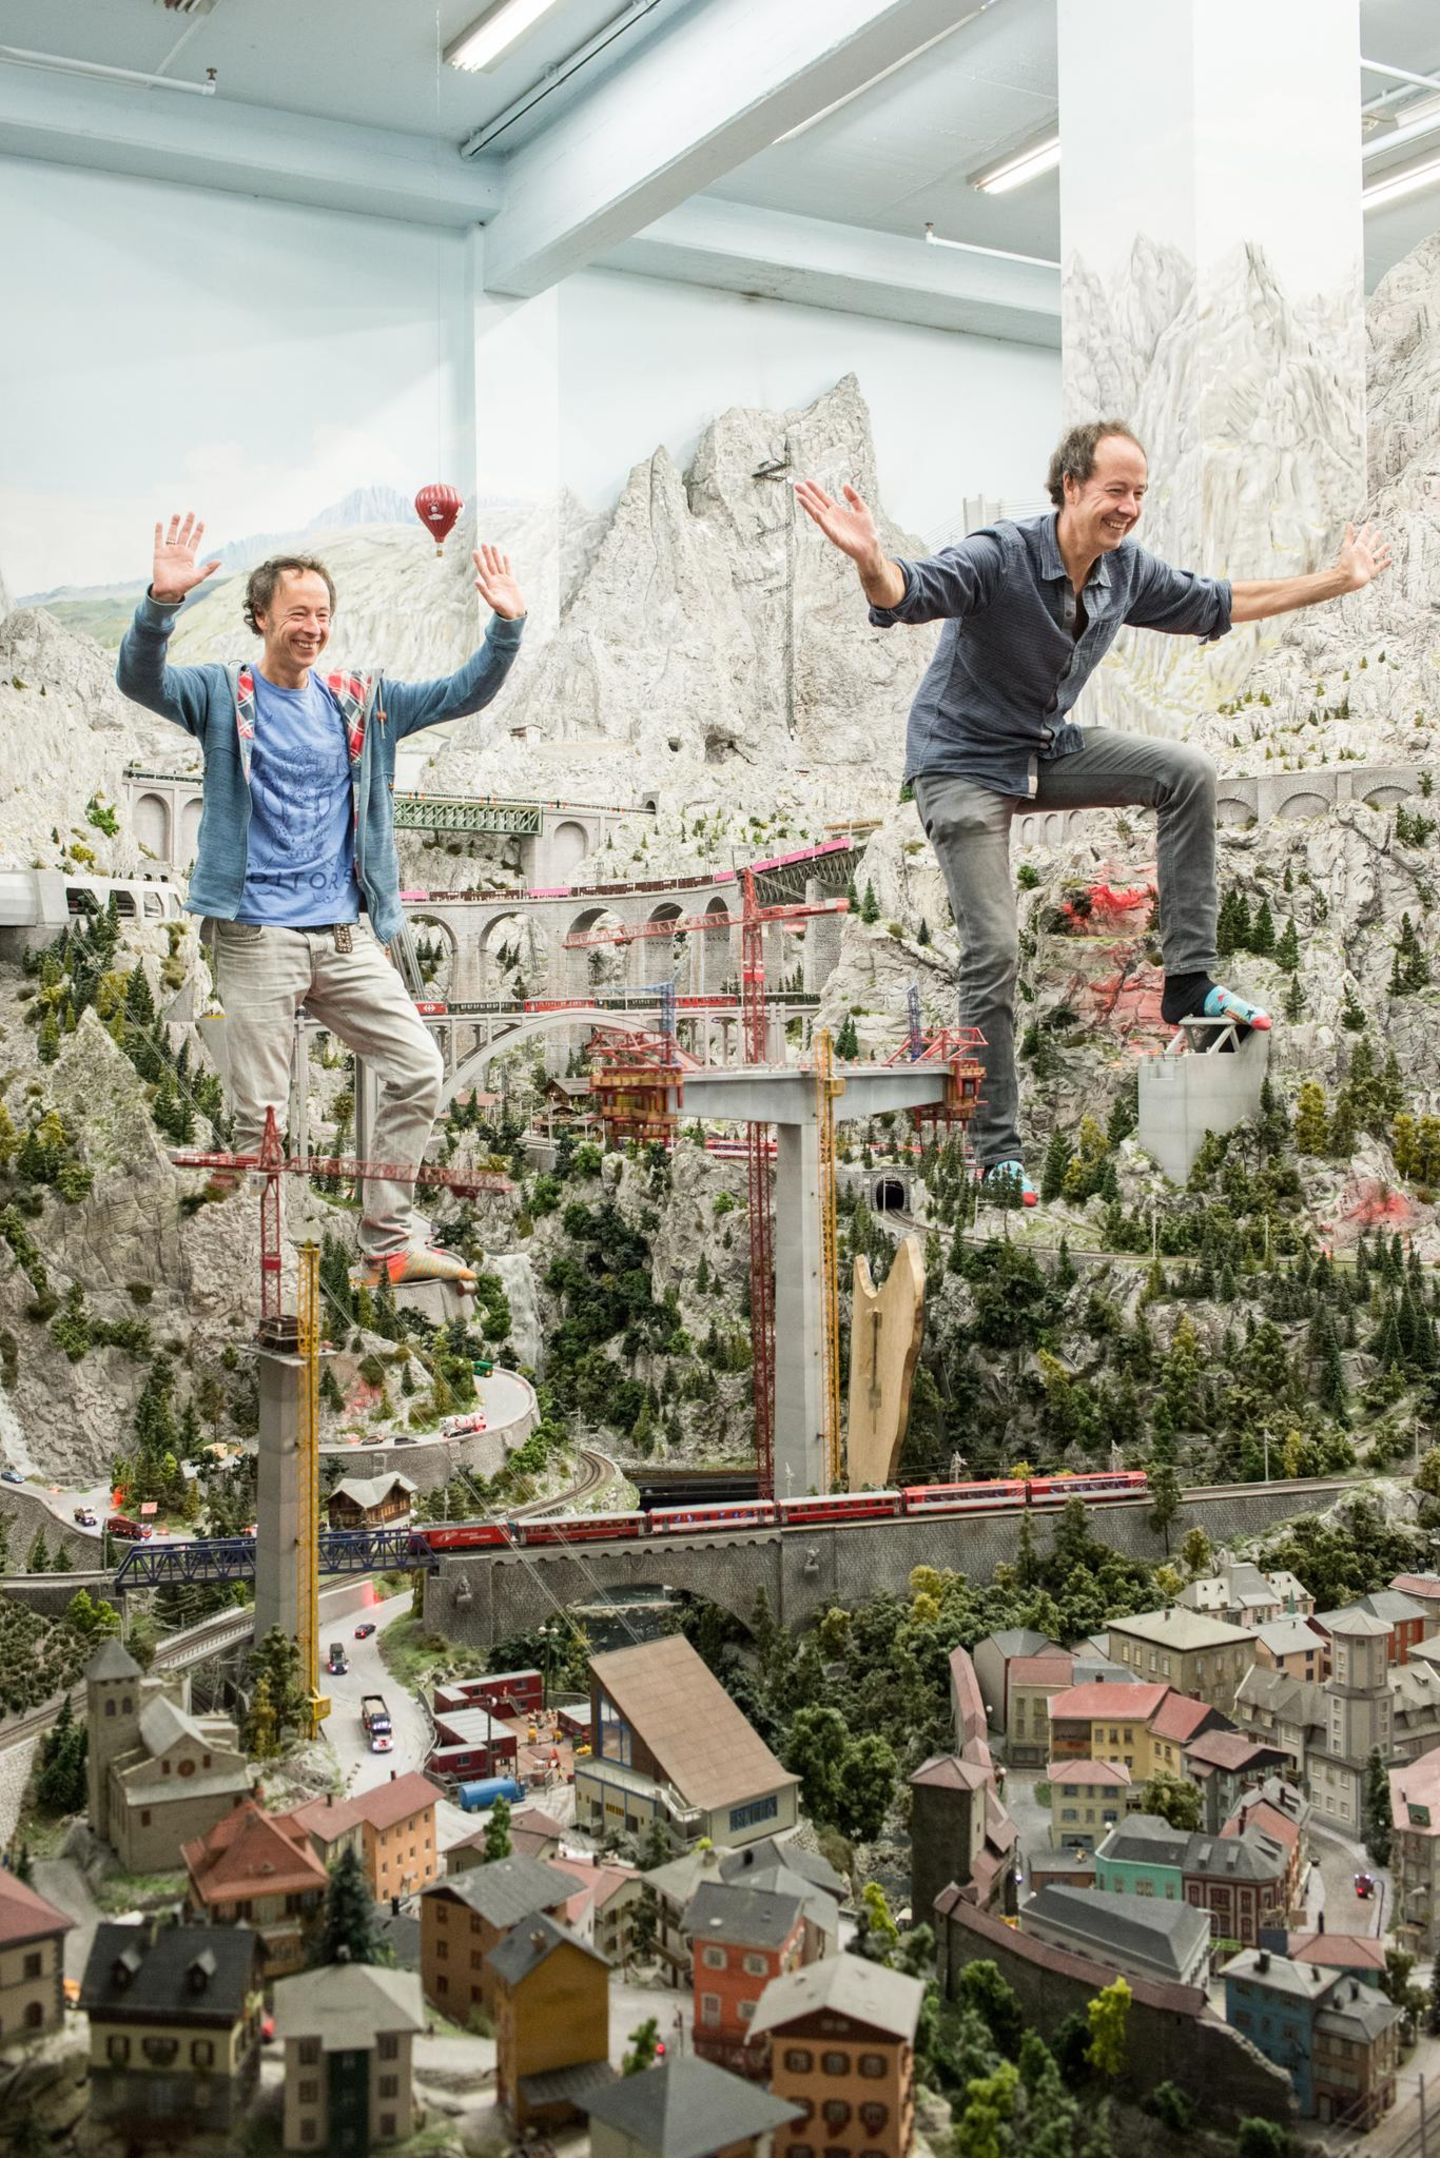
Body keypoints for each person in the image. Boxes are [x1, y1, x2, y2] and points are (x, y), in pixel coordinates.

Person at [796, 422, 1391, 1204]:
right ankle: (995, 1152)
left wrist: (1338, 580)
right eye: (1116, 490)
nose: (1129, 507)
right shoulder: (1002, 554)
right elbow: (909, 591)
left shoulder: (1123, 572)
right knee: (993, 950)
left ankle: (1189, 983)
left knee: (1185, 774)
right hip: (960, 762)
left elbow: (1219, 600)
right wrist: (871, 561)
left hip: (1042, 747)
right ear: (1071, 485)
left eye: (1139, 493)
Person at [117, 510, 526, 1284]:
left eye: (322, 614)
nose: (312, 628)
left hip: (343, 935)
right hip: (256, 937)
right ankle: (253, 1280)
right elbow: (140, 680)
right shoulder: (222, 695)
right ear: (260, 617)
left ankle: (388, 1245)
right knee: (264, 1128)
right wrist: (161, 604)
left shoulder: (359, 701)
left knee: (419, 1068)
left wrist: (506, 628)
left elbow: (461, 695)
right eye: (297, 614)